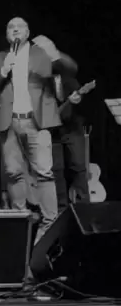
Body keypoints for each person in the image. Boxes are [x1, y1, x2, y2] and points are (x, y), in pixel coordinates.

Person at [0, 16, 77, 241]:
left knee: (44, 172)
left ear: (28, 33)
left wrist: (55, 54)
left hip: (37, 121)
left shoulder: (41, 54)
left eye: (20, 27)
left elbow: (71, 69)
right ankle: (19, 220)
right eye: (10, 27)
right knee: (13, 172)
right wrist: (3, 71)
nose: (15, 30)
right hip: (9, 121)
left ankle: (49, 224)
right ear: (7, 34)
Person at [52, 71, 89, 211]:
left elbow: (81, 100)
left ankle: (83, 208)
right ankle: (61, 209)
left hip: (72, 129)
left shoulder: (69, 79)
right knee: (56, 170)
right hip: (52, 131)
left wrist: (78, 98)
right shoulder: (42, 81)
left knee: (78, 166)